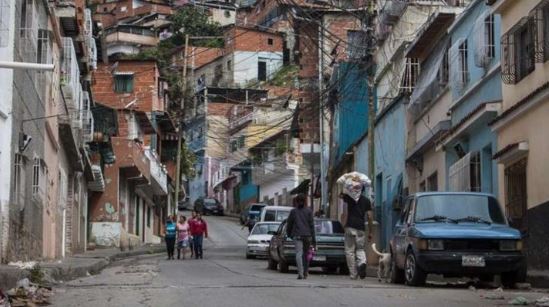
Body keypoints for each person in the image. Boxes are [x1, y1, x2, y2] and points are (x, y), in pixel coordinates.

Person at [340, 188, 373, 280]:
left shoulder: (348, 198)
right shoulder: (366, 200)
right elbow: (370, 216)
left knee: (349, 251)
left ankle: (353, 274)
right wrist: (370, 231)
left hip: (350, 227)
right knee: (360, 249)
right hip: (360, 228)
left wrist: (343, 225)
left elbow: (345, 212)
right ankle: (362, 262)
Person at [286, 194, 316, 280]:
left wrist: (289, 234)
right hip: (308, 236)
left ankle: (300, 273)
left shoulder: (293, 212)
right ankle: (305, 272)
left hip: (297, 235)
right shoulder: (309, 211)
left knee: (299, 253)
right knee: (306, 254)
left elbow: (289, 224)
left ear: (296, 201)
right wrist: (314, 240)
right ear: (305, 201)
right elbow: (312, 226)